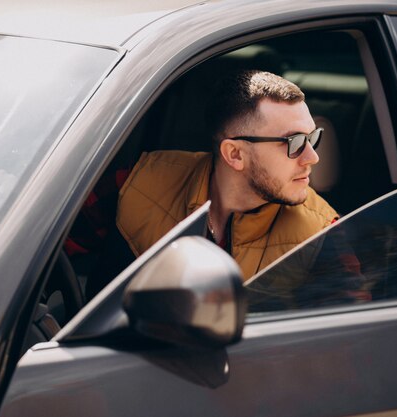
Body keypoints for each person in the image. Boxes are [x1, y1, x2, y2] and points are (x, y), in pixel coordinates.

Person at [113, 70, 338, 282]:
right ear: (235, 154)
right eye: (295, 142)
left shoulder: (322, 234)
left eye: (313, 138)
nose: (313, 157)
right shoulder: (138, 182)